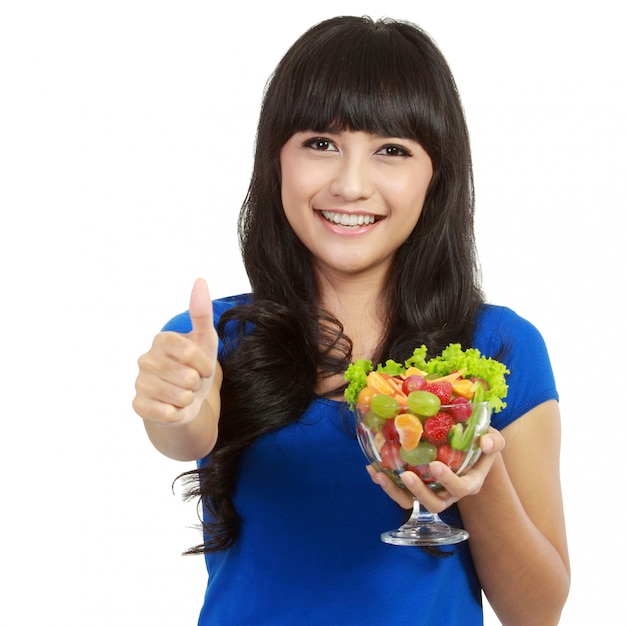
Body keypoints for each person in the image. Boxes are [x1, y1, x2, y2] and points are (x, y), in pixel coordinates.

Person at [132, 15, 570, 625]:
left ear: (435, 174)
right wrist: (175, 404)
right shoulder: (213, 338)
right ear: (275, 161)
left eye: (391, 150)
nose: (351, 183)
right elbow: (184, 433)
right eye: (320, 143)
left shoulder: (500, 346)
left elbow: (537, 612)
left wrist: (479, 478)